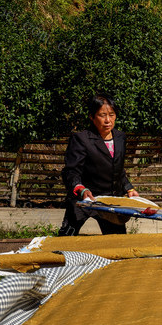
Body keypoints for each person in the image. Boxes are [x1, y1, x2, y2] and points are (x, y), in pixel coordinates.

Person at [59, 94, 139, 237]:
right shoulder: (82, 139)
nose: (108, 120)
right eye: (102, 115)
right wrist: (81, 189)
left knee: (117, 244)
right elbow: (71, 171)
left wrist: (129, 188)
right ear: (92, 117)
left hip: (110, 201)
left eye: (111, 115)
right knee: (66, 240)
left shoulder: (120, 137)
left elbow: (118, 169)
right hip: (84, 199)